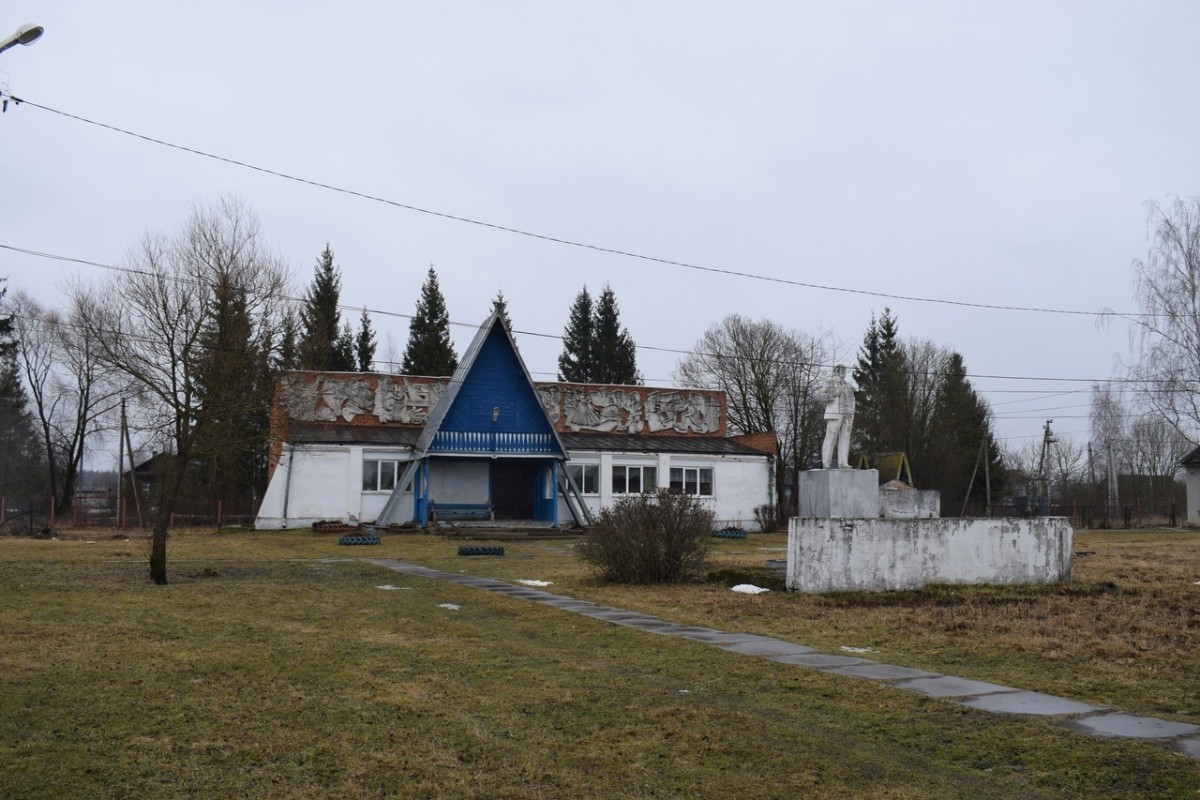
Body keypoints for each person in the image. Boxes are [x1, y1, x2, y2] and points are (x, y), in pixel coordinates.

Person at [818, 365, 855, 469]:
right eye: (841, 369)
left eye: (844, 369)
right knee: (830, 437)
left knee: (845, 438)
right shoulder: (830, 381)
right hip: (835, 413)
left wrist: (851, 412)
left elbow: (852, 399)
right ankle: (826, 463)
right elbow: (819, 395)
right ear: (836, 371)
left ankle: (843, 463)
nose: (843, 371)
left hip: (847, 415)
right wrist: (833, 394)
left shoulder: (848, 385)